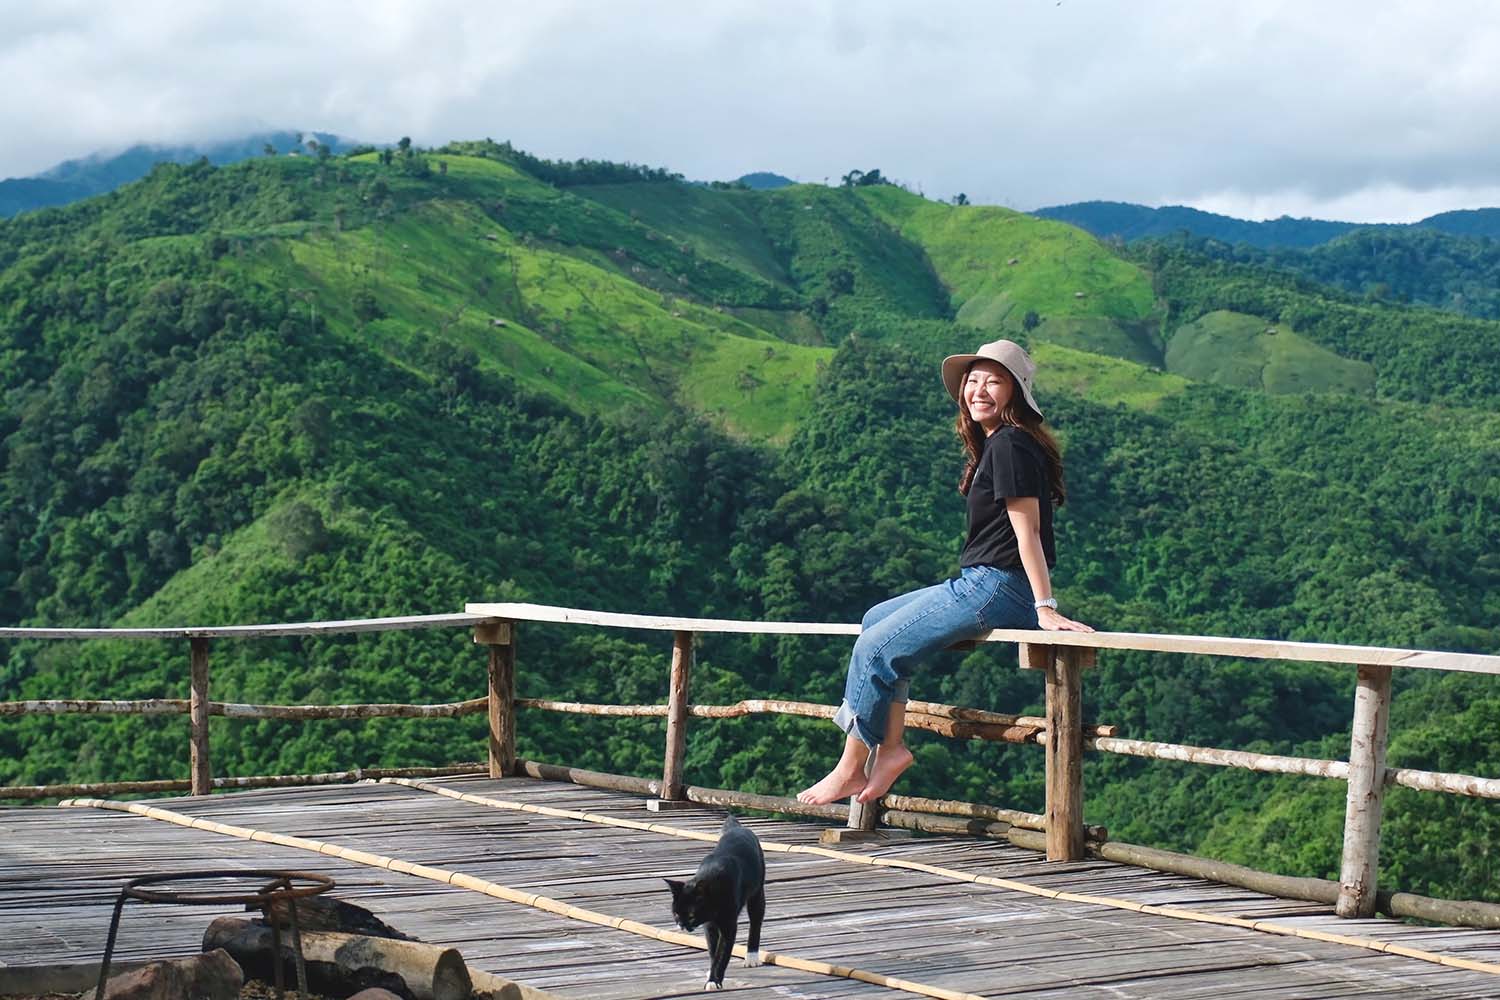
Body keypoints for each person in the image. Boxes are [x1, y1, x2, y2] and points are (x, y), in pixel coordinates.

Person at [797, 340, 1093, 807]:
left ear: (1015, 392)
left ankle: (851, 768)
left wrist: (1045, 607)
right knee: (877, 620)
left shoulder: (1011, 444)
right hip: (981, 581)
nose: (979, 390)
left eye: (993, 381)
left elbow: (1028, 533)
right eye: (973, 381)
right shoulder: (1000, 443)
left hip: (996, 585)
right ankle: (890, 749)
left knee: (876, 648)